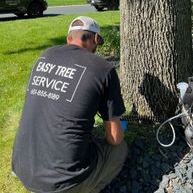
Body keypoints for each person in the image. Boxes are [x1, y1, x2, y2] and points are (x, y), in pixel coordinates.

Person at [12, 16, 127, 193]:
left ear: (68, 39)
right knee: (119, 149)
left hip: (23, 168)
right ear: (95, 39)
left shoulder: (45, 56)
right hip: (65, 181)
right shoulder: (103, 69)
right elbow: (114, 138)